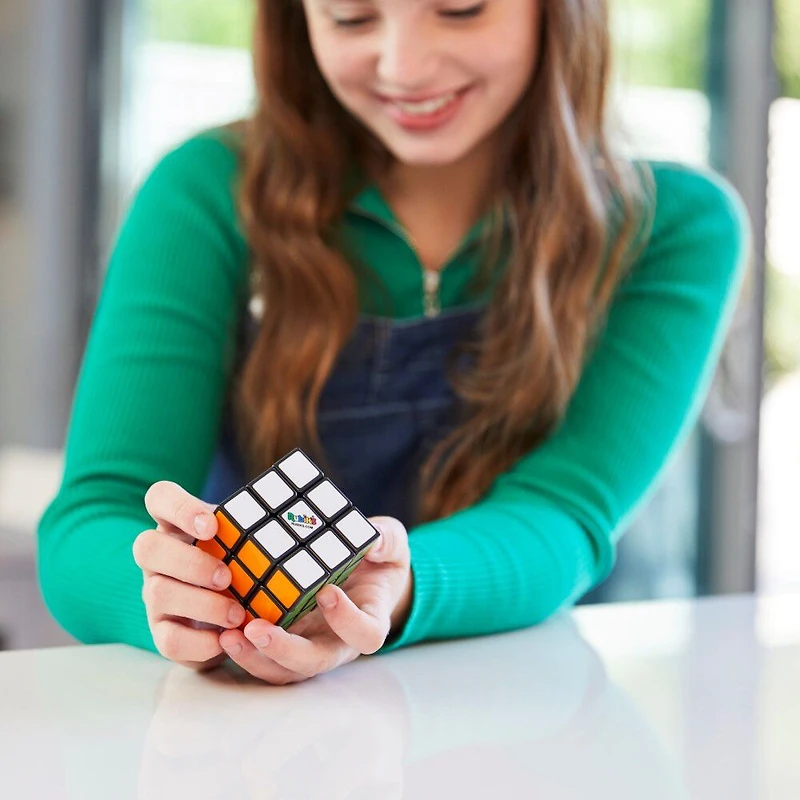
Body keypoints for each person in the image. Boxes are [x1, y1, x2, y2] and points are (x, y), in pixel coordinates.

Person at [37, 0, 749, 684]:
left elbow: (563, 514)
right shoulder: (207, 192)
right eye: (350, 17)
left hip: (553, 706)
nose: (403, 67)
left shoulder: (678, 228)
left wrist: (397, 588)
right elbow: (94, 517)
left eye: (461, 9)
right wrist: (167, 596)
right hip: (271, 736)